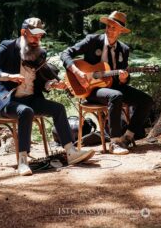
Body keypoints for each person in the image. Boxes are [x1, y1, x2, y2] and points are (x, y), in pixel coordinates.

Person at [0, 17, 95, 176]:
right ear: (23, 32)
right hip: (9, 101)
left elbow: (41, 81)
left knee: (58, 108)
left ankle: (71, 152)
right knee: (26, 111)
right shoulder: (8, 47)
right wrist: (8, 76)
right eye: (33, 35)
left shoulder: (40, 53)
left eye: (40, 36)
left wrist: (50, 84)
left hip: (31, 99)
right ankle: (22, 161)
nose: (37, 40)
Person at [60, 11, 154, 155]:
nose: (110, 30)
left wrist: (124, 78)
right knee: (115, 96)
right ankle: (114, 143)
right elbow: (65, 53)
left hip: (114, 87)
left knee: (146, 100)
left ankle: (127, 137)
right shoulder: (92, 41)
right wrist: (78, 73)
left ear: (121, 31)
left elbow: (123, 77)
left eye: (114, 28)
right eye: (108, 26)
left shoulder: (124, 49)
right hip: (91, 89)